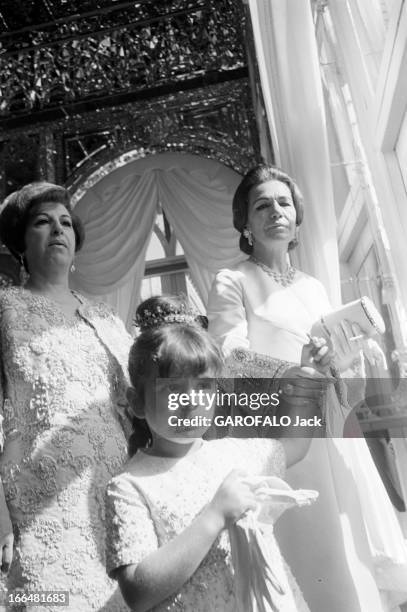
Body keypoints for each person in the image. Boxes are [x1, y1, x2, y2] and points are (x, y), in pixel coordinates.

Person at [207, 164, 407, 611]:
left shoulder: (314, 286)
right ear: (245, 224)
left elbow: (330, 363)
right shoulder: (233, 280)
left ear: (297, 217)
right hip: (286, 433)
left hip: (337, 433)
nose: (276, 211)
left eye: (284, 202)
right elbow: (229, 357)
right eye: (262, 205)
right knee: (315, 555)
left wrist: (351, 357)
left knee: (352, 550)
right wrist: (290, 372)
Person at [104, 295, 333, 612]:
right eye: (172, 389)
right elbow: (138, 592)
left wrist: (310, 376)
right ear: (137, 401)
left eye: (204, 387)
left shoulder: (236, 454)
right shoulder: (130, 487)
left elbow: (294, 444)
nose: (190, 402)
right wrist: (213, 516)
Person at [0, 182, 133, 611]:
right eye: (42, 222)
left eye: (65, 223)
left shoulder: (106, 316)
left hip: (115, 499)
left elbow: (143, 399)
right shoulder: (5, 310)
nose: (58, 230)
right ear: (21, 241)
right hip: (38, 505)